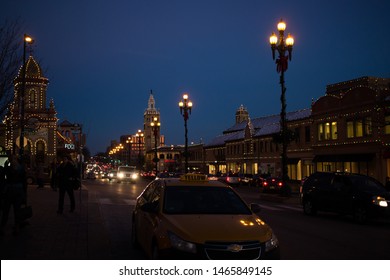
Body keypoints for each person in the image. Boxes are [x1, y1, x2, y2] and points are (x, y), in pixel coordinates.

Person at [1, 155, 27, 236]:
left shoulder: (9, 169)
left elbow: (3, 176)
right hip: (17, 191)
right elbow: (24, 183)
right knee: (15, 210)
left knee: (8, 210)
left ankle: (4, 227)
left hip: (11, 191)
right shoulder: (21, 169)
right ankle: (16, 227)